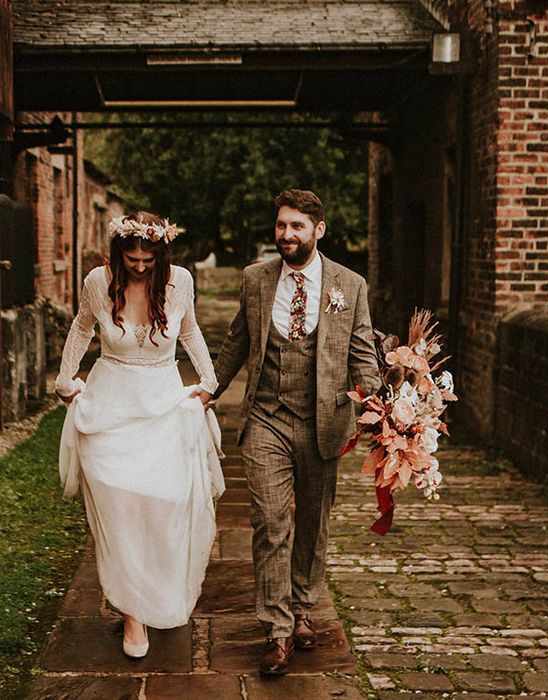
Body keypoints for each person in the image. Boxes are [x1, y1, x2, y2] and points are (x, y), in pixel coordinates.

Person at [213, 189, 380, 675]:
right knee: (269, 522)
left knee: (313, 521)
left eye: (297, 227)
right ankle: (277, 630)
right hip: (267, 416)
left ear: (318, 230)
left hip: (324, 420)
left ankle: (304, 607)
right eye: (281, 225)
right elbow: (237, 341)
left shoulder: (349, 285)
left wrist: (377, 407)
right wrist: (207, 389)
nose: (287, 234)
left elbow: (362, 351)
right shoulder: (255, 279)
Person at [55, 211, 224, 659]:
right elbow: (81, 327)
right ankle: (133, 613)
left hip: (162, 402)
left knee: (161, 504)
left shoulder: (181, 281)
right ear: (118, 253)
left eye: (149, 259)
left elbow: (188, 330)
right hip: (111, 404)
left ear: (162, 253)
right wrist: (64, 378)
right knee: (120, 507)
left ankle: (155, 589)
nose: (140, 266)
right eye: (131, 258)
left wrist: (209, 381)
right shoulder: (97, 281)